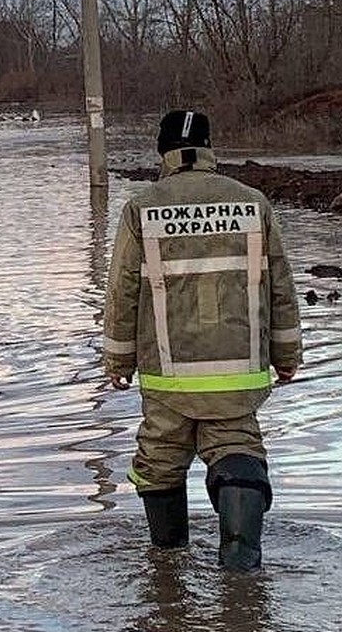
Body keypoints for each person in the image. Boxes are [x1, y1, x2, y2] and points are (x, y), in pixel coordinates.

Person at [102, 110, 302, 572]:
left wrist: (118, 360)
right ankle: (241, 570)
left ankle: (168, 569)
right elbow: (281, 289)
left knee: (159, 463)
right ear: (210, 149)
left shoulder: (142, 208)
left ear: (163, 152)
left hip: (168, 377)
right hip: (238, 372)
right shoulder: (252, 204)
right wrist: (287, 355)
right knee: (239, 451)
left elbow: (122, 291)